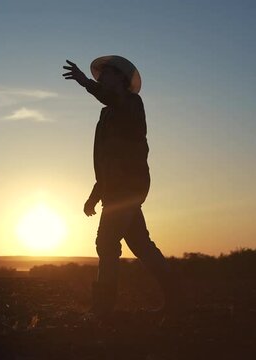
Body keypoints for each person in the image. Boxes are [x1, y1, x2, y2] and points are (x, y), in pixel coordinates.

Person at [62, 56, 178, 319]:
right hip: (114, 188)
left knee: (106, 241)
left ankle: (103, 309)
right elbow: (104, 158)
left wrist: (85, 83)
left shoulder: (131, 104)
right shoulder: (106, 113)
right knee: (140, 244)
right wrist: (95, 195)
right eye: (99, 74)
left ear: (121, 79)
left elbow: (114, 101)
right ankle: (176, 298)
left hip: (129, 186)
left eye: (107, 73)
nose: (101, 76)